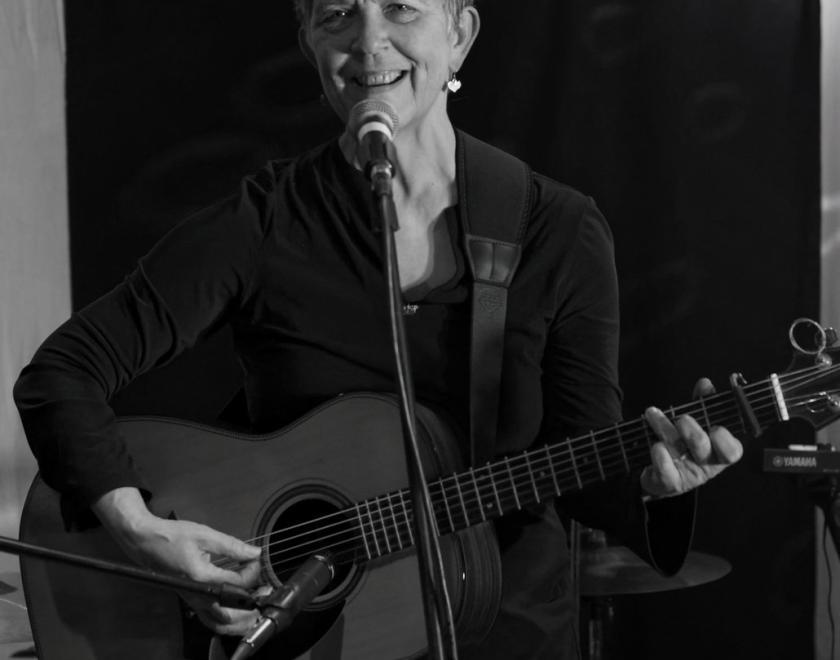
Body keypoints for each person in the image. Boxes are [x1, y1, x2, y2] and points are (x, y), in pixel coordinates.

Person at [13, 0, 743, 658]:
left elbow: (581, 460)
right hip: (301, 642)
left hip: (505, 632)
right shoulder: (265, 222)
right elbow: (60, 374)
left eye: (401, 9)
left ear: (459, 35)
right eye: (337, 15)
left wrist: (657, 486)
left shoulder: (557, 229)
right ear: (307, 40)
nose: (369, 43)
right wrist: (142, 533)